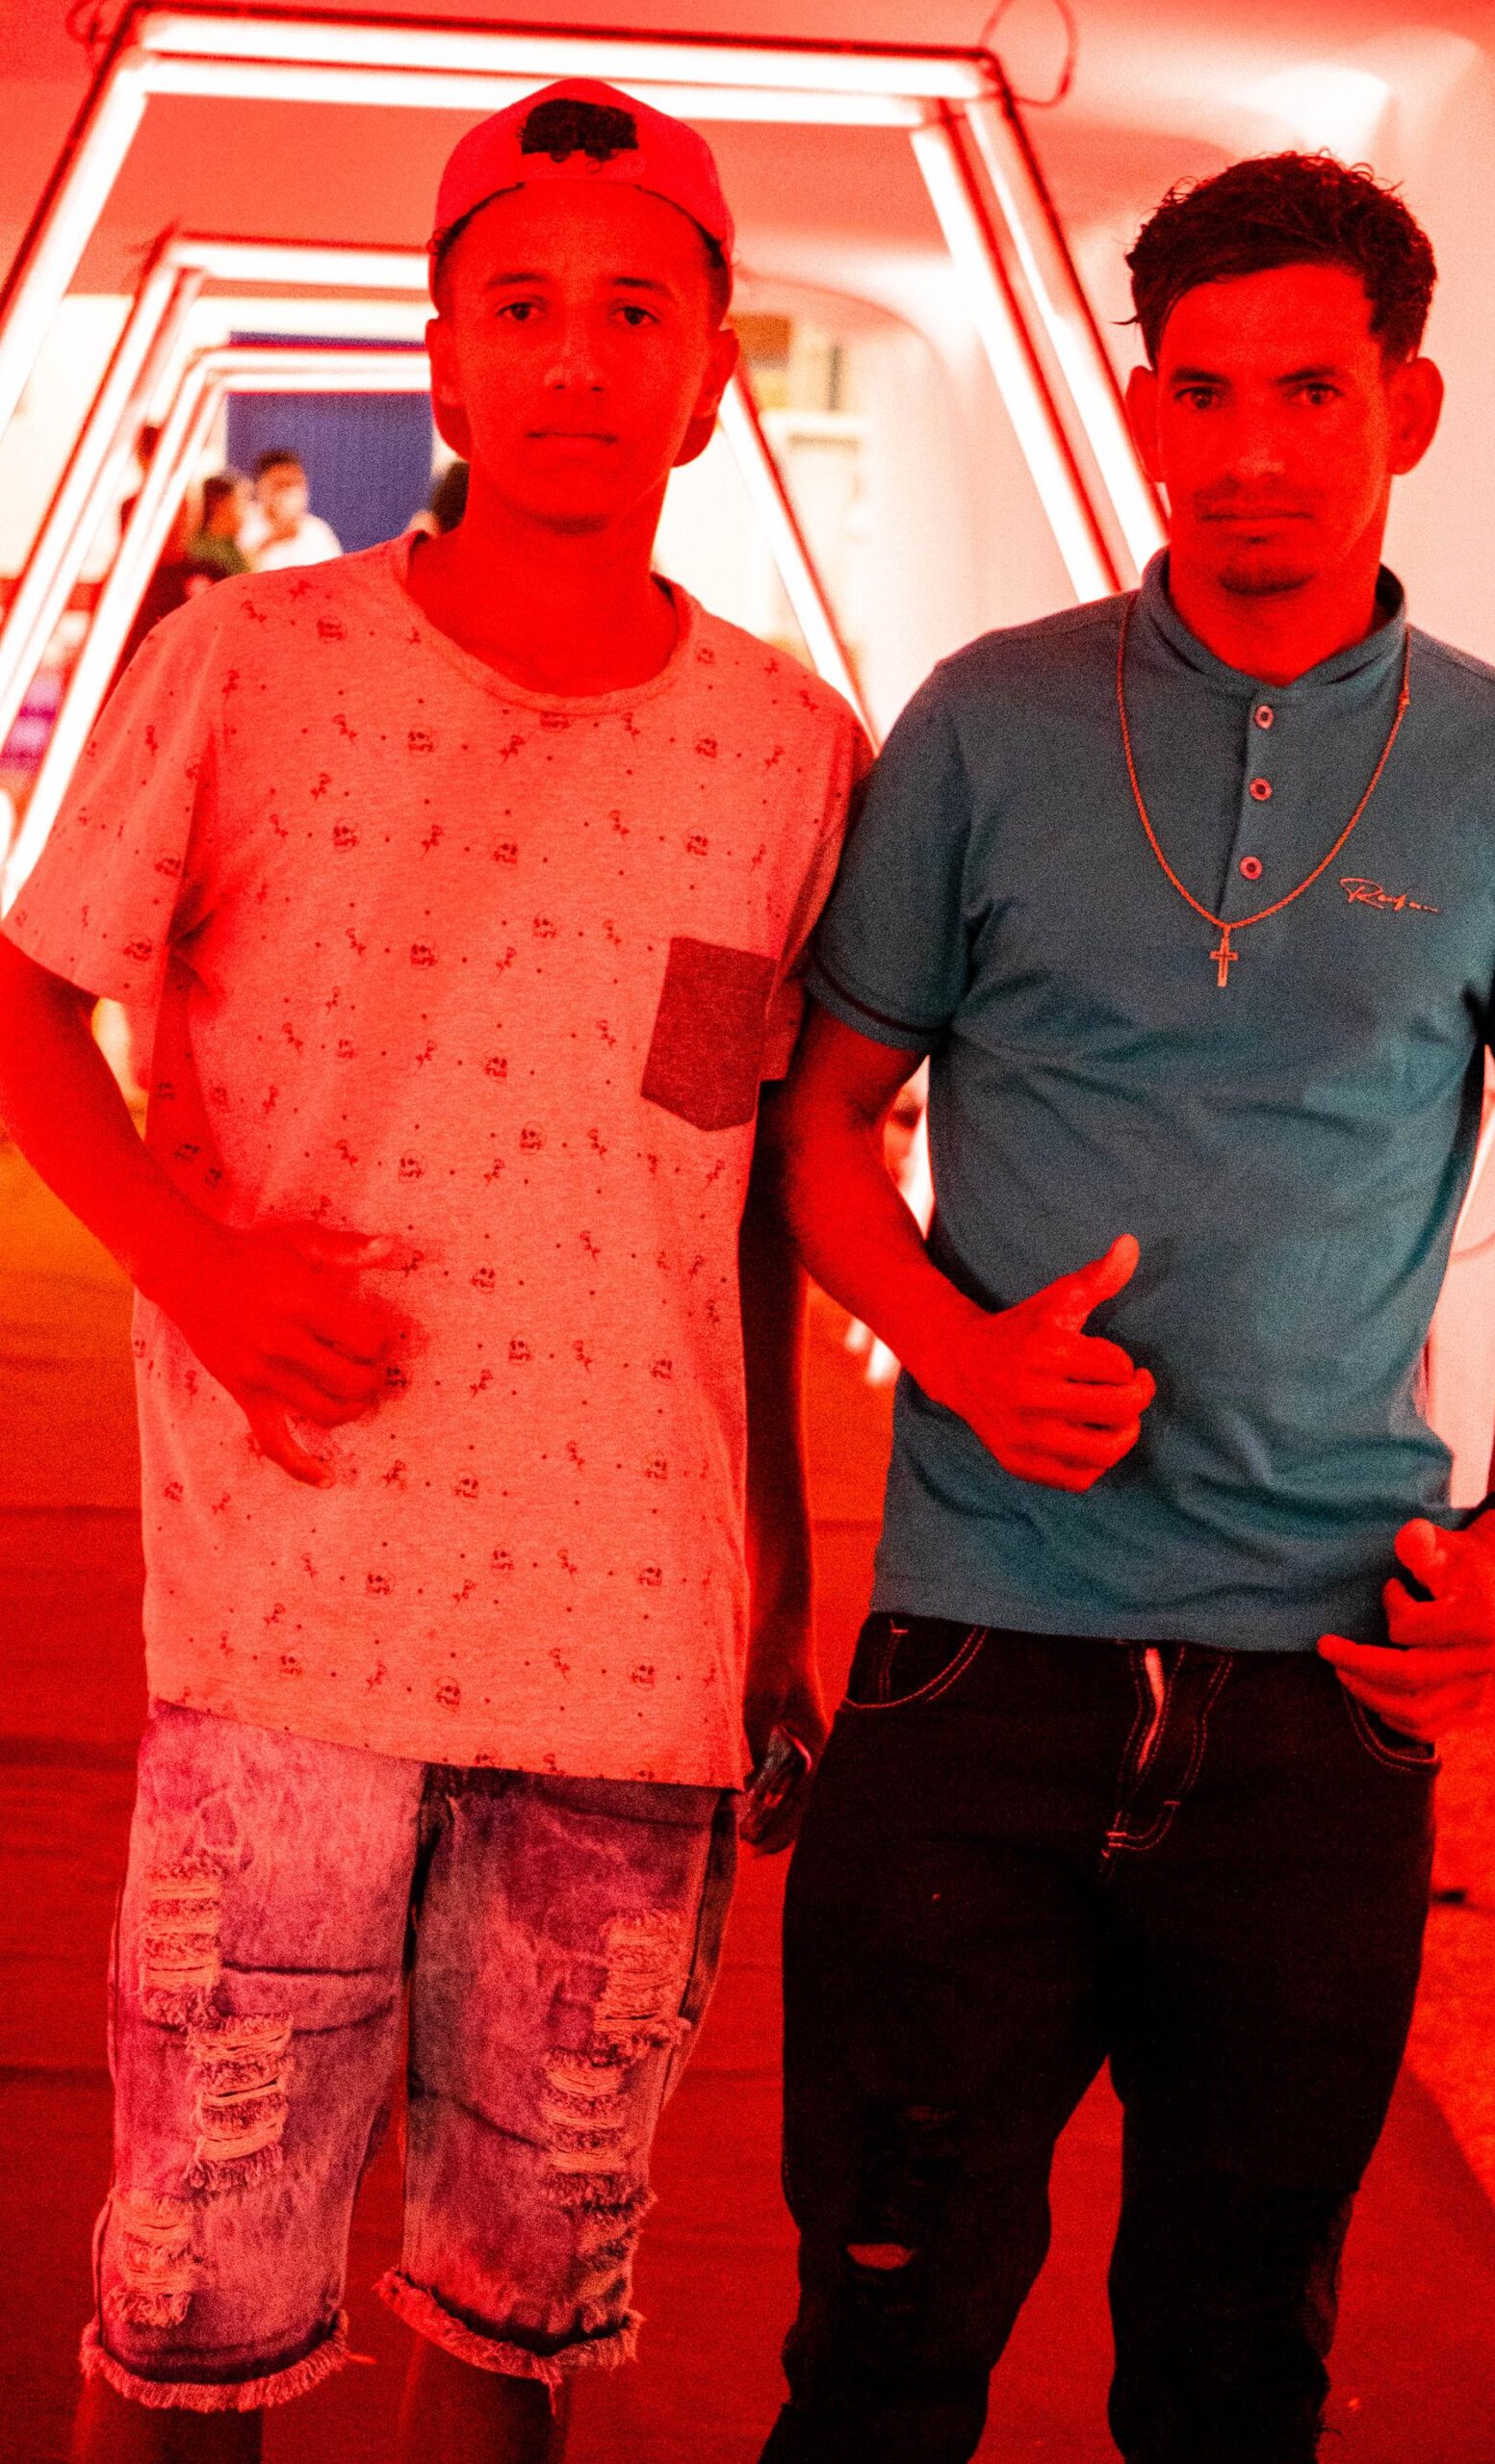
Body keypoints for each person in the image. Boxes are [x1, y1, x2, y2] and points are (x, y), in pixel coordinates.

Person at [0, 75, 864, 2464]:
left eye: (635, 311)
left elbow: (737, 1187)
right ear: (442, 362)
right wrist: (189, 1258)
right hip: (291, 1613)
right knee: (193, 2293)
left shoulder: (787, 755)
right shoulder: (249, 662)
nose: (578, 356)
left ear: (712, 372)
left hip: (626, 1648)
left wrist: (775, 1584)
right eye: (522, 307)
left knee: (518, 2310)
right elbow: (32, 995)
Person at [760, 151, 1495, 2464]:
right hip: (975, 1656)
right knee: (877, 2336)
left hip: (1323, 1684)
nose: (1248, 449)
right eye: (1201, 392)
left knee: (1236, 2364)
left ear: (1404, 407)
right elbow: (818, 1121)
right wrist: (954, 1348)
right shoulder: (986, 723)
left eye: (1307, 391)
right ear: (1144, 409)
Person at [241, 447, 342, 570]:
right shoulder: (241, 521)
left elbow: (335, 574)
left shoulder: (317, 530)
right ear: (260, 486)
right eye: (281, 484)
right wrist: (270, 542)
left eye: (296, 483)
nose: (289, 491)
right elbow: (232, 571)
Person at [183, 472, 252, 578]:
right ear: (220, 506)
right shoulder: (204, 552)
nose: (244, 514)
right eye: (239, 503)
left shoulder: (230, 546)